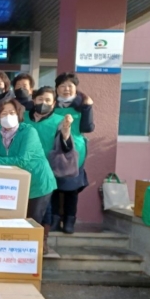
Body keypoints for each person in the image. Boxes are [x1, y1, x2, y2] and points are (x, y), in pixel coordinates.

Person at [0, 98, 57, 227]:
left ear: (18, 114)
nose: (8, 116)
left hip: (38, 183)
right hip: (15, 185)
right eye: (4, 113)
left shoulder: (29, 132)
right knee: (16, 223)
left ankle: (41, 240)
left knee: (32, 223)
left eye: (12, 112)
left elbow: (22, 160)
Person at [23, 86, 85, 252]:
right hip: (23, 168)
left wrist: (66, 131)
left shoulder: (59, 120)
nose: (43, 103)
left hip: (46, 171)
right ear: (33, 100)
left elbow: (66, 146)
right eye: (40, 99)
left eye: (48, 100)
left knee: (46, 206)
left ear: (54, 103)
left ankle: (42, 239)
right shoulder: (23, 118)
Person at [50, 72, 95, 233]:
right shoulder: (52, 105)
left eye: (70, 86)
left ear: (76, 88)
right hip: (54, 148)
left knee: (72, 187)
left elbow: (88, 127)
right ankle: (55, 219)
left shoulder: (82, 105)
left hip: (75, 150)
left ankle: (69, 220)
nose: (66, 89)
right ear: (57, 89)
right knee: (53, 187)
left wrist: (88, 108)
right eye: (62, 86)